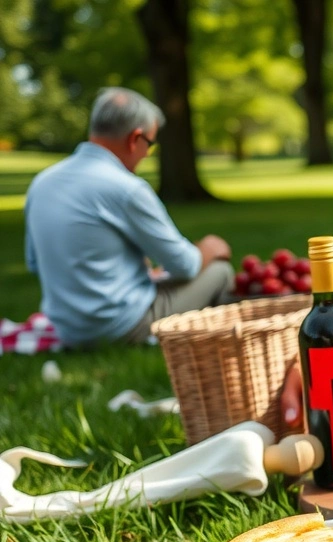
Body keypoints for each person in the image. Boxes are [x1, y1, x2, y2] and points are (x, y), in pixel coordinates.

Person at [23, 87, 233, 348]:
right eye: (150, 145)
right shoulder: (126, 188)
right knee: (219, 271)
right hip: (119, 328)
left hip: (68, 330)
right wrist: (210, 248)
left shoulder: (42, 182)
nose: (146, 154)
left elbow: (34, 263)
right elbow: (185, 265)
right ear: (135, 138)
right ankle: (217, 346)